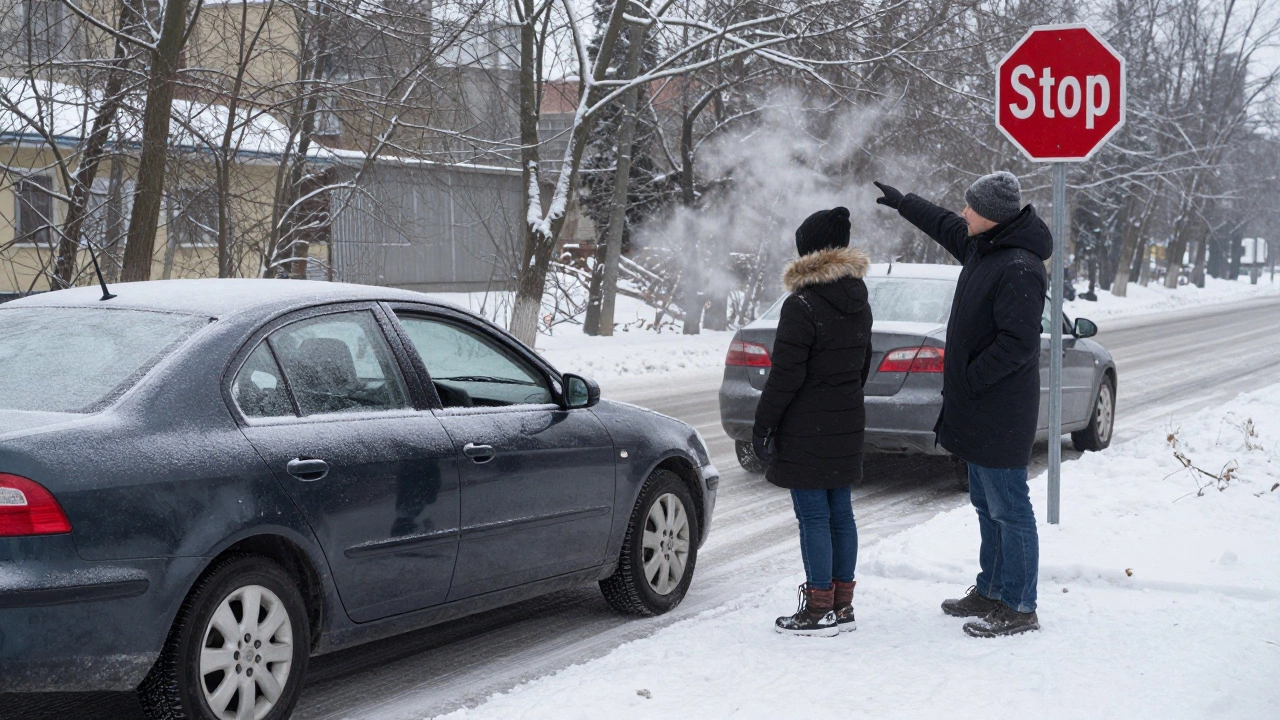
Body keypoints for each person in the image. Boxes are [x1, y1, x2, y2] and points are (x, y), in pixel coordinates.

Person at [873, 172, 1049, 638]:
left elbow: (1018, 345)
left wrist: (970, 378)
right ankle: (992, 589)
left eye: (972, 206)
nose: (964, 212)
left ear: (992, 215)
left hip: (1001, 411)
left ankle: (1020, 605)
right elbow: (944, 223)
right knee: (986, 504)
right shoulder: (983, 246)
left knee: (1010, 509)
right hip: (977, 408)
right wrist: (905, 202)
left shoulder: (1020, 266)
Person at [752, 207, 873, 637]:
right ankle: (842, 606)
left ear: (809, 251)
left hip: (806, 425)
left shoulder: (801, 304)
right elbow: (862, 366)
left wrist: (763, 425)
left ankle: (818, 607)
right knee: (841, 512)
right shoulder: (859, 299)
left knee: (814, 517)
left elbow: (785, 376)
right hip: (846, 420)